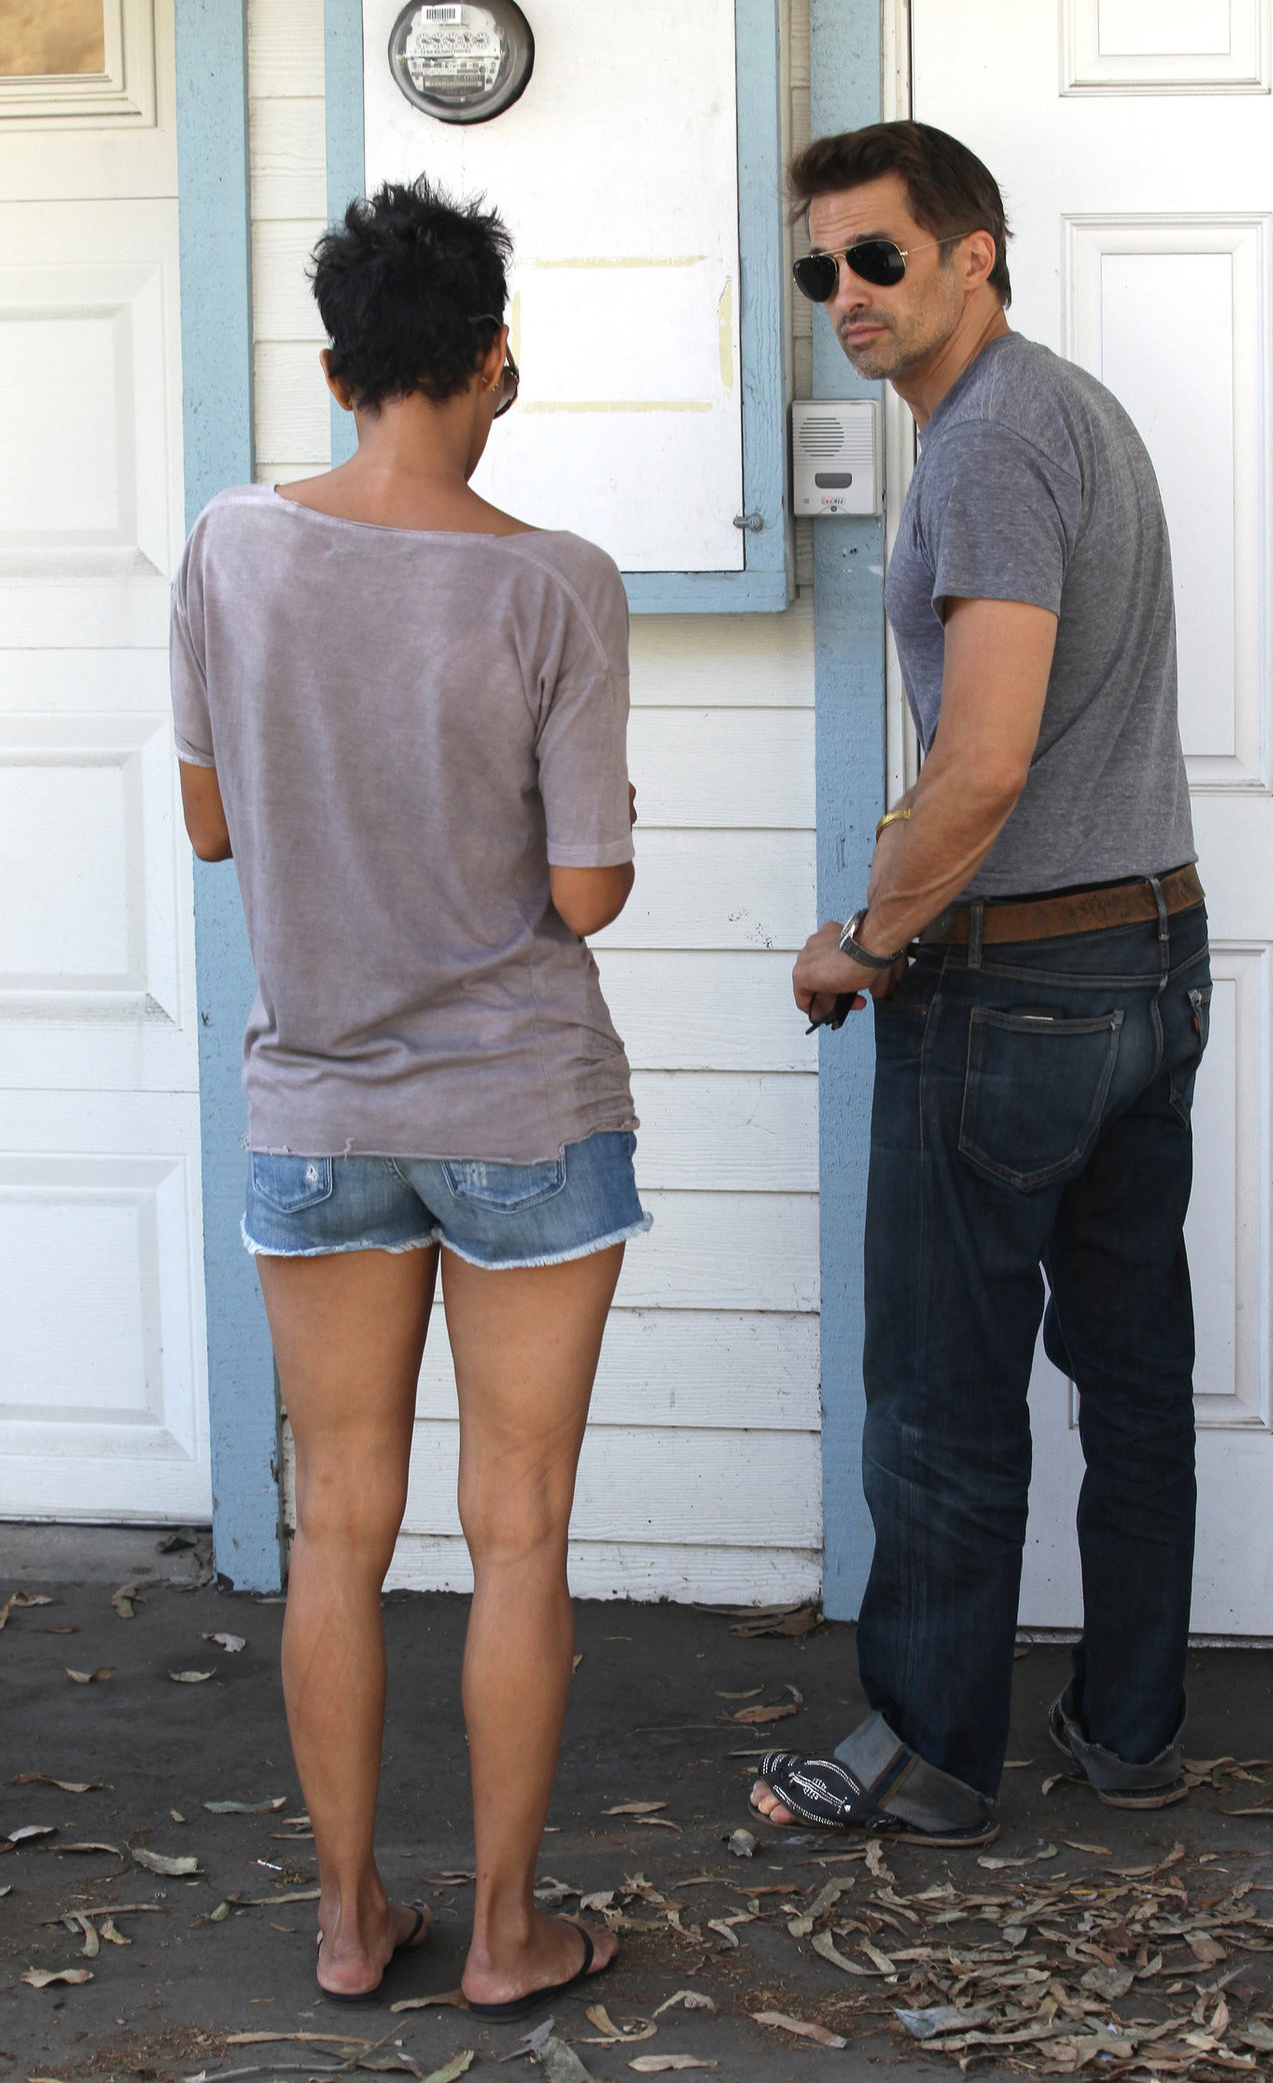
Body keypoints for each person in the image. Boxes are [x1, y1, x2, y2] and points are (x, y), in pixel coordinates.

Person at [171, 179, 646, 2008]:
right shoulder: (556, 580)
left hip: (318, 1107)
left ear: (334, 363)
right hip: (523, 1102)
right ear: (491, 358)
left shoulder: (228, 542)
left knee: (335, 1523)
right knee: (516, 1521)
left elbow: (213, 822)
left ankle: (351, 1918)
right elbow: (588, 889)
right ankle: (510, 1933)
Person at [754, 122, 1210, 1844]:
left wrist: (865, 942)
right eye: (819, 269)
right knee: (1130, 1372)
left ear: (974, 255)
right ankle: (1131, 1727)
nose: (846, 294)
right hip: (1146, 955)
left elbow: (986, 754)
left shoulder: (991, 439)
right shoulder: (1066, 411)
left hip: (1016, 981)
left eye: (878, 257)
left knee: (941, 1396)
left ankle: (932, 1749)